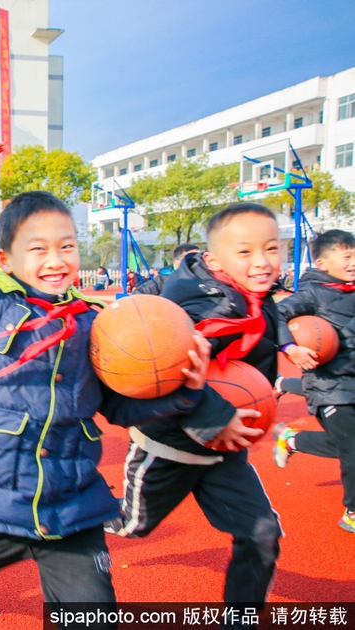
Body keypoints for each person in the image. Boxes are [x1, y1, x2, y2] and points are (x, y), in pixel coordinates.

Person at [0, 137, 220, 610]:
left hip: (71, 494)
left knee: (91, 609)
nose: (56, 259)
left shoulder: (97, 325)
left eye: (66, 246)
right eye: (38, 248)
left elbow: (118, 405)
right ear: (6, 259)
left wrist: (184, 392)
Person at [109, 203, 296, 609]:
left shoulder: (257, 297)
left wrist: (289, 348)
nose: (262, 261)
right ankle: (68, 514)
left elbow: (274, 322)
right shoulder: (201, 310)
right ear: (214, 260)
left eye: (272, 248)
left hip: (223, 453)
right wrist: (217, 417)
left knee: (262, 533)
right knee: (130, 526)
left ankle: (241, 618)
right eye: (245, 252)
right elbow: (171, 370)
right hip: (168, 447)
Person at [273, 229, 355, 534]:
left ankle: (291, 439)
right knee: (353, 448)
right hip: (329, 386)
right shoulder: (312, 293)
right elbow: (276, 315)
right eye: (346, 256)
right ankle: (353, 511)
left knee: (347, 446)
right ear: (322, 262)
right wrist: (290, 347)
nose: (353, 261)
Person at [133, 243, 199, 296]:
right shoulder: (163, 280)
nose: (198, 263)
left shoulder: (205, 282)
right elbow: (137, 294)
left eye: (200, 258)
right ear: (177, 263)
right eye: (193, 259)